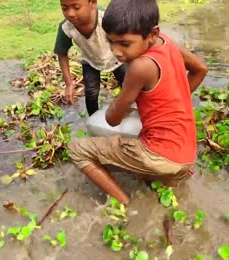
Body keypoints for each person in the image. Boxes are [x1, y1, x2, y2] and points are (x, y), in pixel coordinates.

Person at [67, 0, 208, 204]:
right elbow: (201, 69)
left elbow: (113, 119)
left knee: (77, 150)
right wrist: (172, 99)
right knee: (161, 198)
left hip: (159, 155)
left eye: (124, 44)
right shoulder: (167, 42)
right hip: (186, 155)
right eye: (110, 41)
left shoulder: (140, 66)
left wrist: (120, 102)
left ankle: (125, 204)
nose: (116, 51)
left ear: (152, 33)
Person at [54, 0, 127, 116]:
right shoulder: (66, 28)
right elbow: (62, 53)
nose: (70, 13)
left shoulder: (106, 19)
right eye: (64, 8)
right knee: (91, 93)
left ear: (92, 3)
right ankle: (93, 118)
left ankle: (130, 112)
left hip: (116, 58)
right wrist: (69, 84)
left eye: (76, 7)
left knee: (128, 86)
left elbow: (126, 38)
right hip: (90, 60)